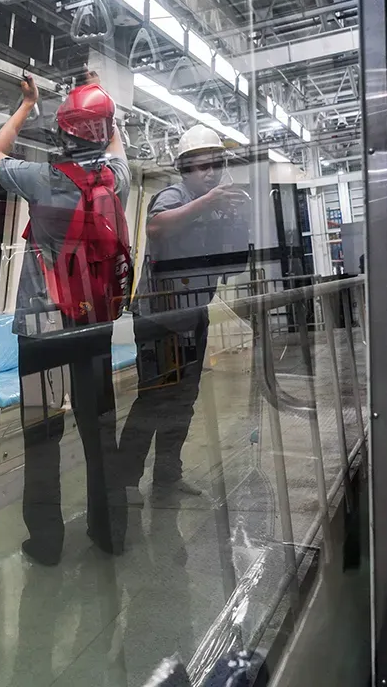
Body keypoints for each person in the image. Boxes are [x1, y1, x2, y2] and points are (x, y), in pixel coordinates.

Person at [0, 73, 131, 565]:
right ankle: (109, 532)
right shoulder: (118, 180)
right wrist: (106, 108)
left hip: (43, 327)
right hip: (95, 323)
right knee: (99, 426)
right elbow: (115, 144)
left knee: (42, 432)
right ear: (104, 130)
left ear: (62, 133)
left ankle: (46, 542)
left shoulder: (41, 180)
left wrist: (27, 105)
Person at [119, 124, 249, 504]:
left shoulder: (218, 207)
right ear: (185, 168)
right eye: (199, 166)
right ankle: (126, 480)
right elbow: (157, 229)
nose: (208, 173)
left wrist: (237, 222)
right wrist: (209, 204)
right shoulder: (172, 196)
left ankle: (167, 477)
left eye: (214, 165)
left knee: (184, 399)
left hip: (193, 315)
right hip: (159, 317)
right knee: (154, 399)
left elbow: (234, 265)